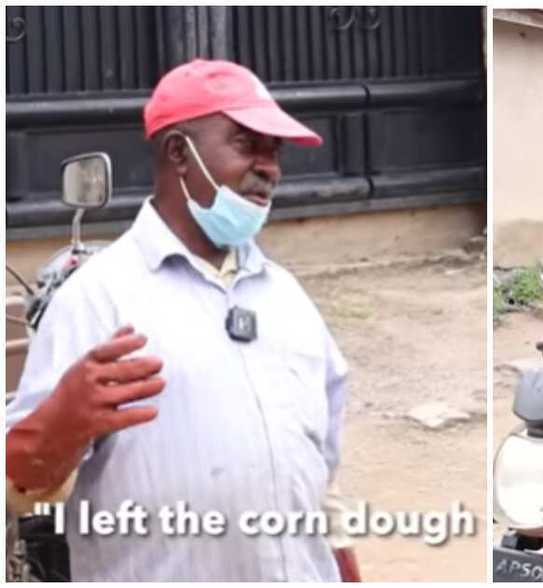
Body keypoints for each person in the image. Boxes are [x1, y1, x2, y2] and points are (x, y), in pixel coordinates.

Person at [6, 59, 358, 582]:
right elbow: (21, 487)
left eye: (275, 151)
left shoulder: (288, 299)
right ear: (178, 152)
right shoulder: (97, 300)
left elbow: (317, 477)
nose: (270, 168)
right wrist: (59, 425)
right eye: (247, 144)